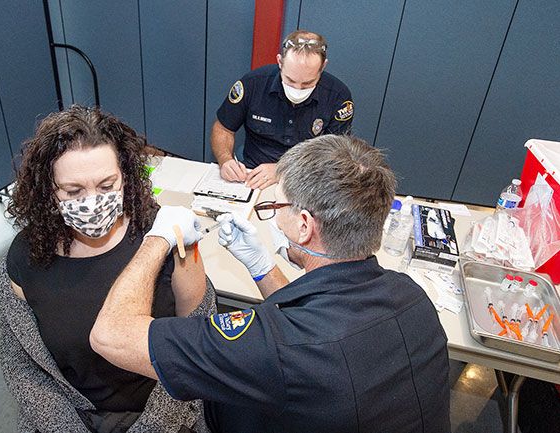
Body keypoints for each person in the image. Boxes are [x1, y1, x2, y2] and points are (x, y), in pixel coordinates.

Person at [90, 134, 451, 432]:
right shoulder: (412, 296)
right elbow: (319, 327)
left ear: (305, 226)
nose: (275, 220)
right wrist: (262, 267)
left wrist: (159, 237)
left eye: (277, 208)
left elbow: (111, 335)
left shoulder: (273, 348)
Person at [0, 105, 215, 433]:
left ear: (126, 177)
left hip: (162, 418)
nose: (92, 201)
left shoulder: (165, 235)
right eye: (73, 191)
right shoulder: (25, 258)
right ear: (49, 190)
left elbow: (200, 343)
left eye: (106, 185)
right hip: (73, 418)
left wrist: (151, 427)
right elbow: (22, 367)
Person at [211, 29, 354, 190]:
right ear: (280, 62)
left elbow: (336, 156)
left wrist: (282, 171)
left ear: (323, 67)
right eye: (290, 80)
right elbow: (223, 128)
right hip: (251, 174)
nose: (298, 89)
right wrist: (225, 160)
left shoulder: (338, 97)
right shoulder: (253, 84)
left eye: (308, 83)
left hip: (306, 179)